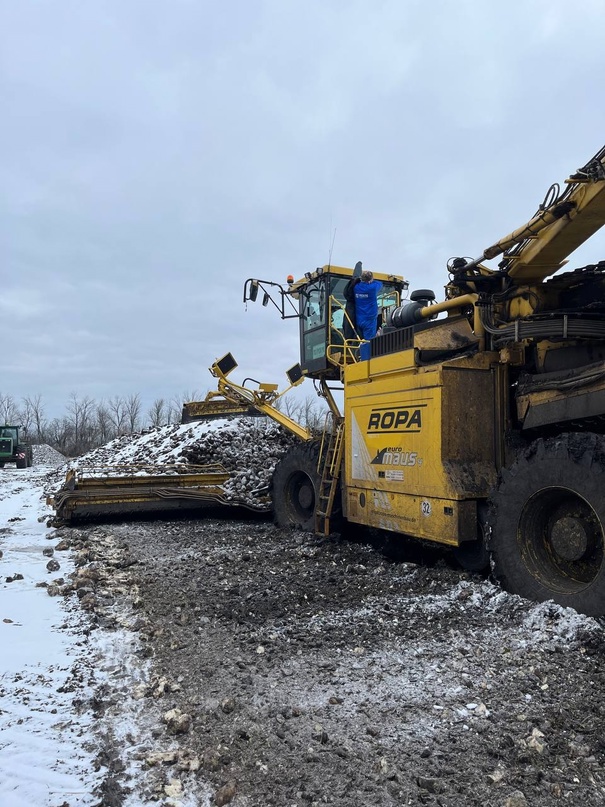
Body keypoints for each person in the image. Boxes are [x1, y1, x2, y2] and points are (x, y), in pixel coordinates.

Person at [354, 270, 382, 360]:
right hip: (369, 320)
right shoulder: (372, 288)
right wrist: (372, 281)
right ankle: (367, 361)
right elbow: (380, 284)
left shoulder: (356, 288)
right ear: (370, 280)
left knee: (362, 339)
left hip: (359, 319)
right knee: (369, 342)